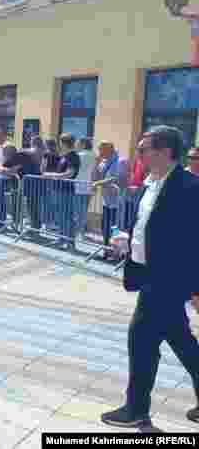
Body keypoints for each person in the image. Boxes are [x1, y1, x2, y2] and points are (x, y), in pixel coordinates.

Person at [103, 125, 199, 429]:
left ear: (165, 151)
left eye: (144, 149)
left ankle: (136, 409)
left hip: (167, 281)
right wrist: (128, 240)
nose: (139, 154)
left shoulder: (190, 187)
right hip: (148, 275)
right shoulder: (149, 185)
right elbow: (147, 227)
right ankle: (137, 408)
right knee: (182, 342)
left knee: (141, 340)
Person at [92, 140, 128, 260]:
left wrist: (99, 183)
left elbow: (117, 178)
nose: (99, 152)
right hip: (106, 201)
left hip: (118, 202)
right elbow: (96, 178)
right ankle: (107, 250)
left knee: (116, 228)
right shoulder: (103, 162)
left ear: (109, 149)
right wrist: (96, 164)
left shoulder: (121, 161)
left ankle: (117, 253)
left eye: (101, 149)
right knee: (105, 227)